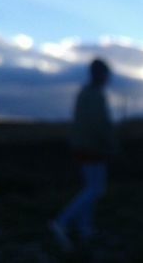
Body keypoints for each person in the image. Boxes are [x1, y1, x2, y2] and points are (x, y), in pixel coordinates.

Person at [50, 58, 117, 251]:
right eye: (106, 74)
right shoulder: (96, 95)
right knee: (96, 190)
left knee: (91, 188)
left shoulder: (84, 93)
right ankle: (61, 222)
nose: (107, 78)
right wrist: (111, 146)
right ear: (101, 75)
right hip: (93, 149)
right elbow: (100, 126)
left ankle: (85, 229)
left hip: (82, 147)